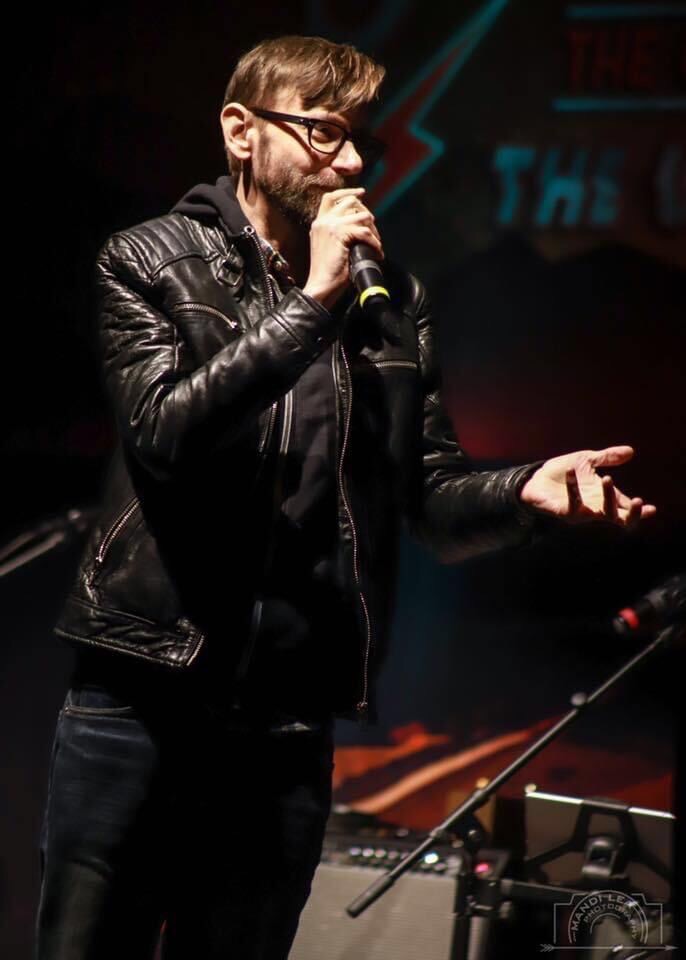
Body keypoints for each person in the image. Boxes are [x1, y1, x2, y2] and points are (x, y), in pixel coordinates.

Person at [35, 35, 656, 960]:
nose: (355, 162)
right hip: (144, 699)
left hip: (285, 726)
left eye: (364, 138)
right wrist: (311, 303)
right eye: (325, 132)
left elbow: (429, 500)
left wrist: (524, 490)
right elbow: (166, 436)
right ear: (241, 131)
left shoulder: (391, 301)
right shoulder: (151, 260)